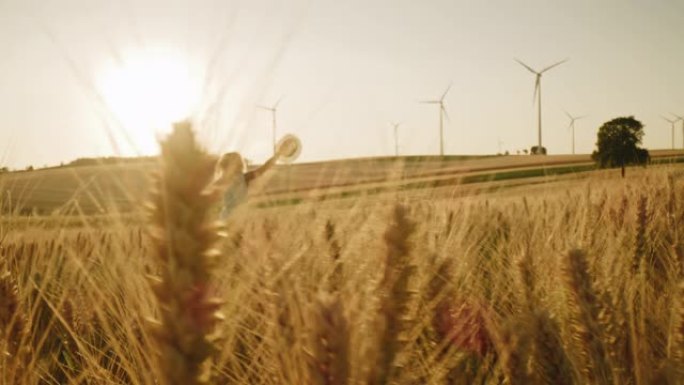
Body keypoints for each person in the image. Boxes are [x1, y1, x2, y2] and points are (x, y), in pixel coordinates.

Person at [214, 150, 282, 219]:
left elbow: (263, 168)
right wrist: (278, 155)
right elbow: (263, 169)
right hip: (240, 216)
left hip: (232, 217)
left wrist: (278, 155)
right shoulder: (244, 178)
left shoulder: (220, 182)